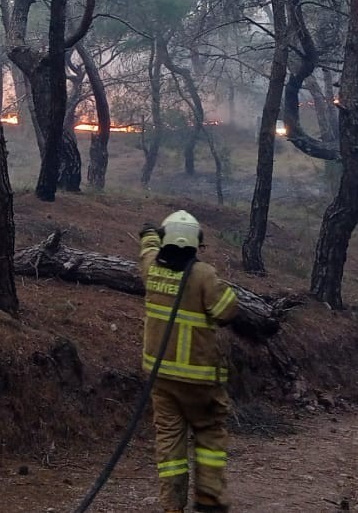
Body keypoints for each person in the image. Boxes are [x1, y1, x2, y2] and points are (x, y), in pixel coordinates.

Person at [138, 210, 239, 513]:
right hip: (201, 381)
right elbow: (227, 311)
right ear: (196, 243)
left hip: (162, 378)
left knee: (169, 441)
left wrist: (148, 235)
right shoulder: (204, 275)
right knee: (209, 435)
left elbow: (148, 251)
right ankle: (209, 499)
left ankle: (172, 506)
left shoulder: (152, 269)